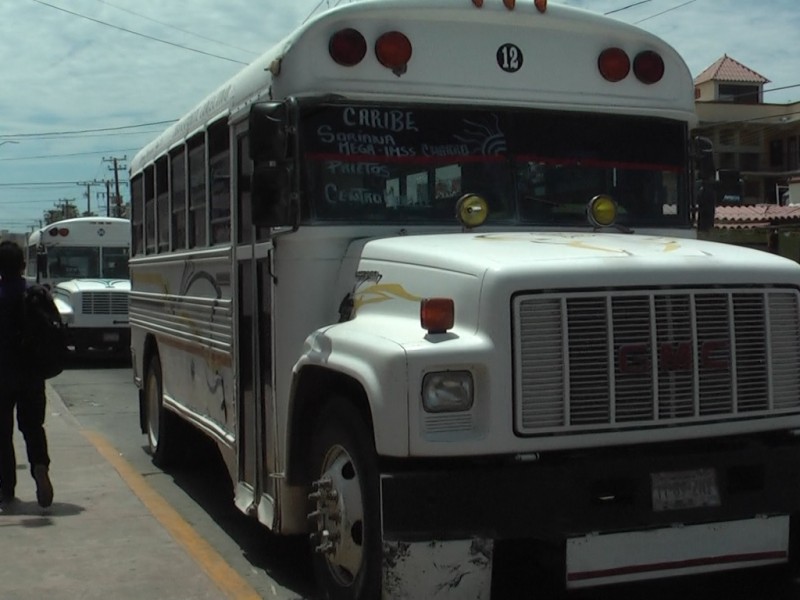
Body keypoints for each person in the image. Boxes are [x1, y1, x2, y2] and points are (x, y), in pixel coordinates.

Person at [0, 240, 53, 507]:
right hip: (32, 374)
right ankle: (40, 467)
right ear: (23, 265)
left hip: (1, 376)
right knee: (33, 427)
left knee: (3, 434)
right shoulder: (35, 294)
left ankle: (6, 487)